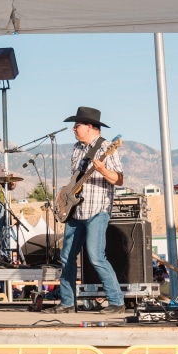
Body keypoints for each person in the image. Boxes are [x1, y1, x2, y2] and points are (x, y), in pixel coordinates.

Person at [53, 107, 126, 315]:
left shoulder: (106, 147)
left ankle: (116, 301)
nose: (73, 129)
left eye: (77, 125)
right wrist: (64, 195)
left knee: (96, 256)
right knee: (66, 257)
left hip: (97, 210)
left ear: (90, 127)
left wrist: (102, 170)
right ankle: (67, 303)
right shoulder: (77, 148)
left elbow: (119, 179)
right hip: (75, 211)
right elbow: (75, 179)